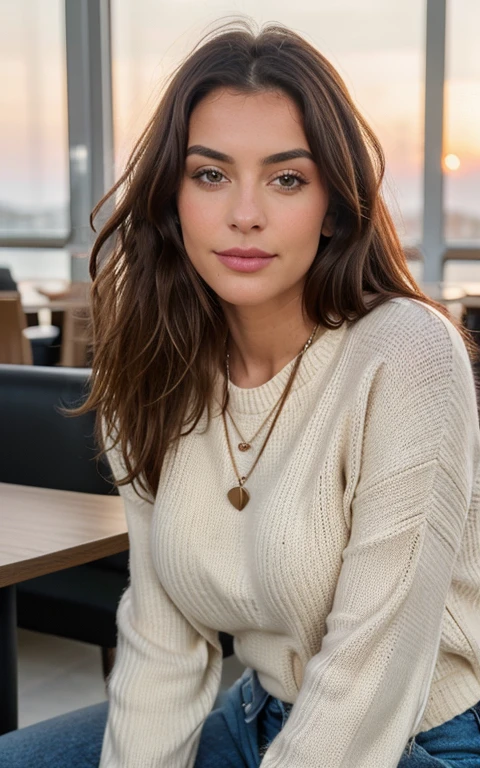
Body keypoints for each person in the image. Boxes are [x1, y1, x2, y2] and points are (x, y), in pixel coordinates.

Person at [2, 19, 480, 768]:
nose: (245, 213)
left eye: (287, 178)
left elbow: (372, 672)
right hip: (255, 715)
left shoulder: (406, 355)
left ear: (333, 205)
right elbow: (163, 643)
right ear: (173, 197)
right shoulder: (156, 370)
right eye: (211, 174)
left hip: (423, 739)